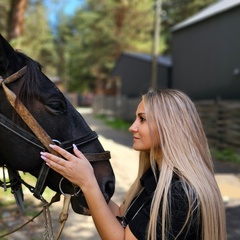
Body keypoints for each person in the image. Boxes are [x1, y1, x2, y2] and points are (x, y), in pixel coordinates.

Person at [40, 89, 226, 240]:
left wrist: (88, 184)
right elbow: (123, 216)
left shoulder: (179, 193)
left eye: (142, 119)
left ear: (169, 127)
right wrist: (79, 179)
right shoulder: (156, 177)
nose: (132, 127)